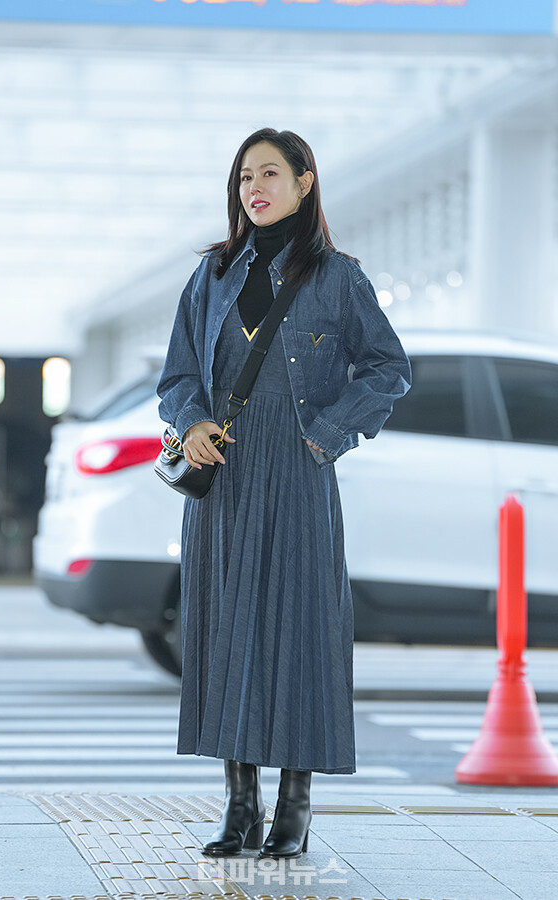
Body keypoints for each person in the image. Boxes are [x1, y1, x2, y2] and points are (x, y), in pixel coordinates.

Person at [156, 127, 412, 860]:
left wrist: (327, 433)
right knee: (226, 630)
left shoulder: (339, 279)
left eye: (270, 173)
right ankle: (240, 809)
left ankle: (293, 809)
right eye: (243, 178)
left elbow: (388, 367)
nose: (254, 188)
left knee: (297, 631)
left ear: (305, 183)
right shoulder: (210, 276)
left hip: (299, 469)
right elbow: (177, 377)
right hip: (226, 476)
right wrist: (193, 420)